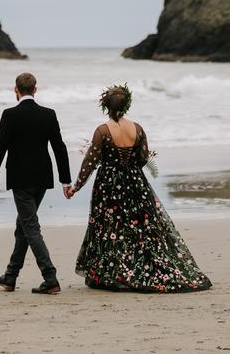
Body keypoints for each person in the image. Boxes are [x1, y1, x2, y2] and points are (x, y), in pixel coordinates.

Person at [65, 84, 213, 293]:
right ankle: (138, 267)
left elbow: (90, 162)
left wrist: (75, 187)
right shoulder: (138, 128)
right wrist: (129, 170)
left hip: (108, 184)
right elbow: (143, 158)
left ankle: (113, 273)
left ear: (105, 106)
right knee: (140, 227)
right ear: (127, 105)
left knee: (110, 227)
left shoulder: (102, 131)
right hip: (135, 181)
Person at [0, 72, 71, 294]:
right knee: (23, 225)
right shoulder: (48, 114)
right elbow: (59, 148)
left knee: (30, 226)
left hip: (20, 178)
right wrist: (65, 181)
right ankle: (10, 276)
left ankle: (50, 277)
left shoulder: (9, 115)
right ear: (35, 90)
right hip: (42, 178)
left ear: (16, 90)